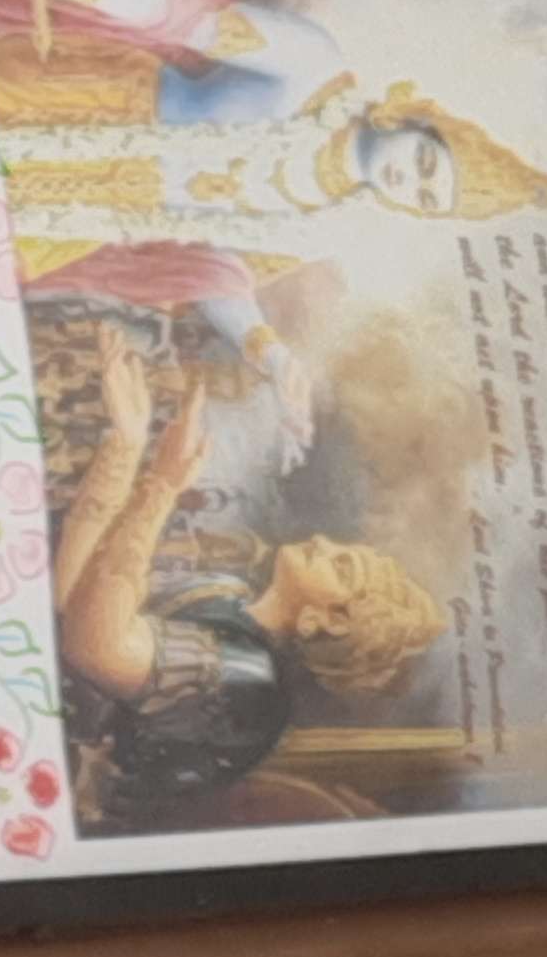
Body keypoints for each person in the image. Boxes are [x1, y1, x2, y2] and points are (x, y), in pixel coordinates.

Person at [49, 324, 453, 830]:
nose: (324, 543)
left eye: (341, 567)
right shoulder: (229, 593)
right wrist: (127, 444)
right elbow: (72, 600)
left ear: (324, 621)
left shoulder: (246, 676)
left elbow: (92, 648)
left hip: (61, 790)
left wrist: (163, 485)